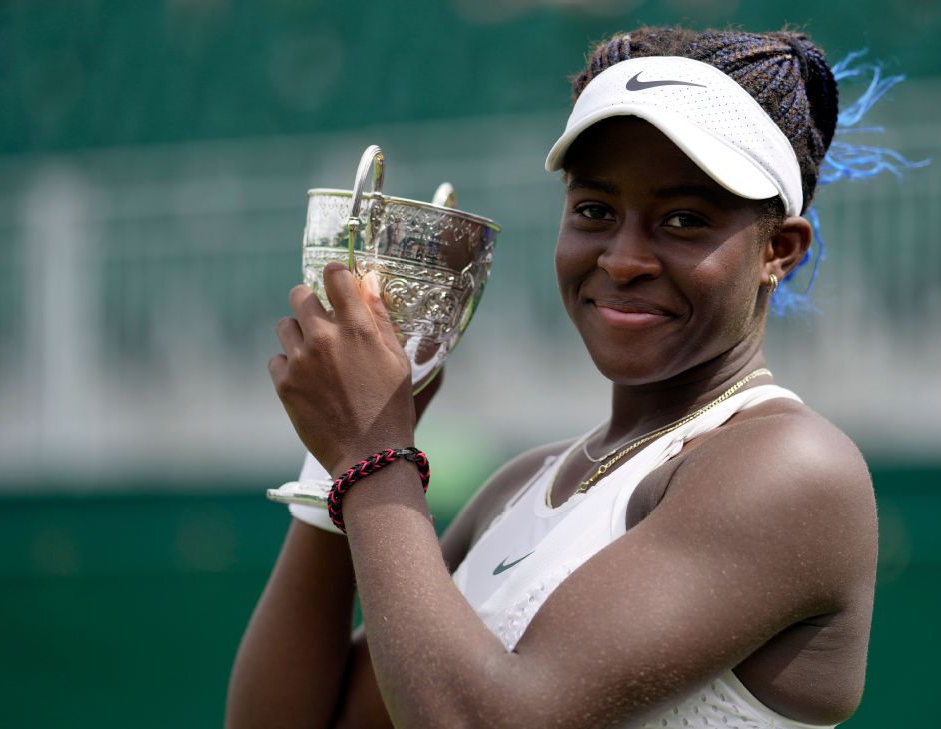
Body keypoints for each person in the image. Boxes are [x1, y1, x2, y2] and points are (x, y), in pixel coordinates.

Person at [229, 27, 879, 729]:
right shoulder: (520, 486)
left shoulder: (794, 468)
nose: (624, 258)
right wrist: (337, 456)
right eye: (595, 210)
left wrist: (371, 450)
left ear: (778, 250)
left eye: (685, 220)